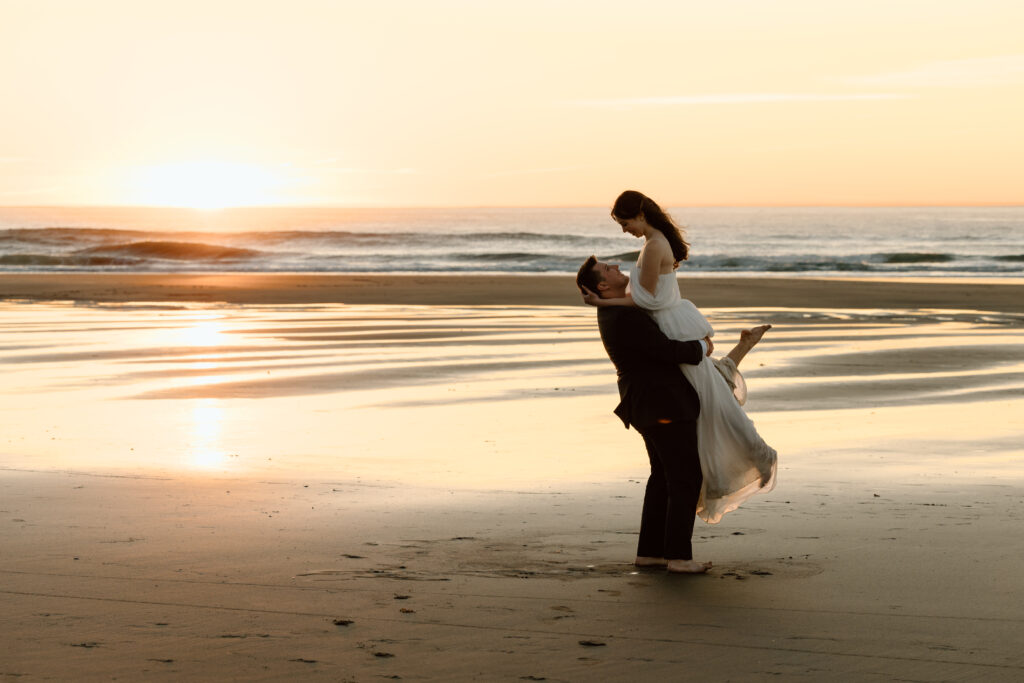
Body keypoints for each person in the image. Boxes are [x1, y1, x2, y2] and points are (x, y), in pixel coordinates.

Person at [581, 190, 777, 524]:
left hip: (671, 322)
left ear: (640, 213)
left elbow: (649, 303)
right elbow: (648, 299)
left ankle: (749, 457)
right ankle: (744, 354)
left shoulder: (654, 245)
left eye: (625, 222)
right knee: (710, 388)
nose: (625, 230)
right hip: (672, 325)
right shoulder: (653, 244)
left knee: (711, 393)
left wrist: (605, 303)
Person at [577, 255, 714, 573]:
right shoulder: (621, 316)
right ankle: (679, 557)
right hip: (661, 403)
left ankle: (650, 553)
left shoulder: (613, 309)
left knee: (663, 476)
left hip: (645, 403)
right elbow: (665, 351)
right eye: (608, 269)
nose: (616, 267)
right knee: (685, 476)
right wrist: (702, 348)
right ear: (602, 284)